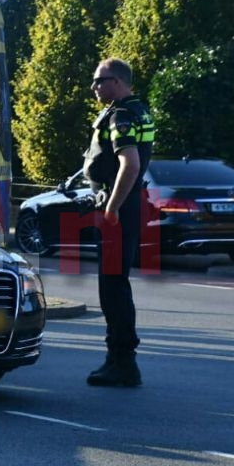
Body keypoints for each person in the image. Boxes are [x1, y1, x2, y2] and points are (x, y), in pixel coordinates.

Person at [82, 58, 155, 388]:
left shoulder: (121, 115)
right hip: (128, 206)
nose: (94, 87)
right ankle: (118, 360)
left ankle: (122, 362)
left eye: (100, 80)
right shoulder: (138, 109)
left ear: (118, 82)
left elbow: (131, 164)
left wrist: (111, 208)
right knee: (115, 284)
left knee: (112, 287)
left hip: (119, 208)